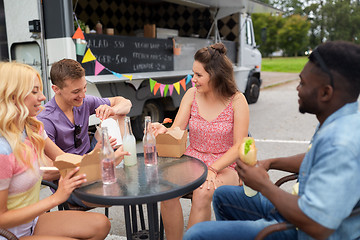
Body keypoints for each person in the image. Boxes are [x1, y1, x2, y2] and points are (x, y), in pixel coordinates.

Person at [184, 40, 360, 240]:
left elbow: (317, 225)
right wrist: (271, 163)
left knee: (197, 235)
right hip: (297, 207)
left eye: (302, 82)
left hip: (301, 229)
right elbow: (316, 157)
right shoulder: (339, 120)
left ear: (325, 92)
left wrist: (263, 186)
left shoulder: (342, 142)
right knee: (223, 196)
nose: (297, 89)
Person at [0, 61, 111, 239]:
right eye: (34, 91)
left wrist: (100, 155)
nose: (43, 97)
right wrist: (56, 198)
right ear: (13, 96)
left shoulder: (33, 128)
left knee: (102, 225)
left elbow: (65, 159)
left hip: (32, 222)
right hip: (8, 233)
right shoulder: (3, 150)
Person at [151, 42, 249, 240]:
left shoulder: (238, 100)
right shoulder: (191, 95)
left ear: (216, 75)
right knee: (167, 191)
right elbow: (178, 129)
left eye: (198, 75)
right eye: (193, 74)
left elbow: (240, 146)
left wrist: (212, 169)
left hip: (226, 164)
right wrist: (164, 130)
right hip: (193, 158)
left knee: (203, 192)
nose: (193, 79)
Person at [37, 58, 132, 156]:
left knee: (118, 114)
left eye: (84, 87)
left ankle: (119, 161)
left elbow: (126, 103)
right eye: (76, 91)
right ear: (56, 89)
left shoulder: (85, 101)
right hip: (68, 164)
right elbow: (53, 162)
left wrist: (112, 110)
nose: (83, 95)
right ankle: (113, 161)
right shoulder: (46, 119)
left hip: (90, 151)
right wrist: (92, 156)